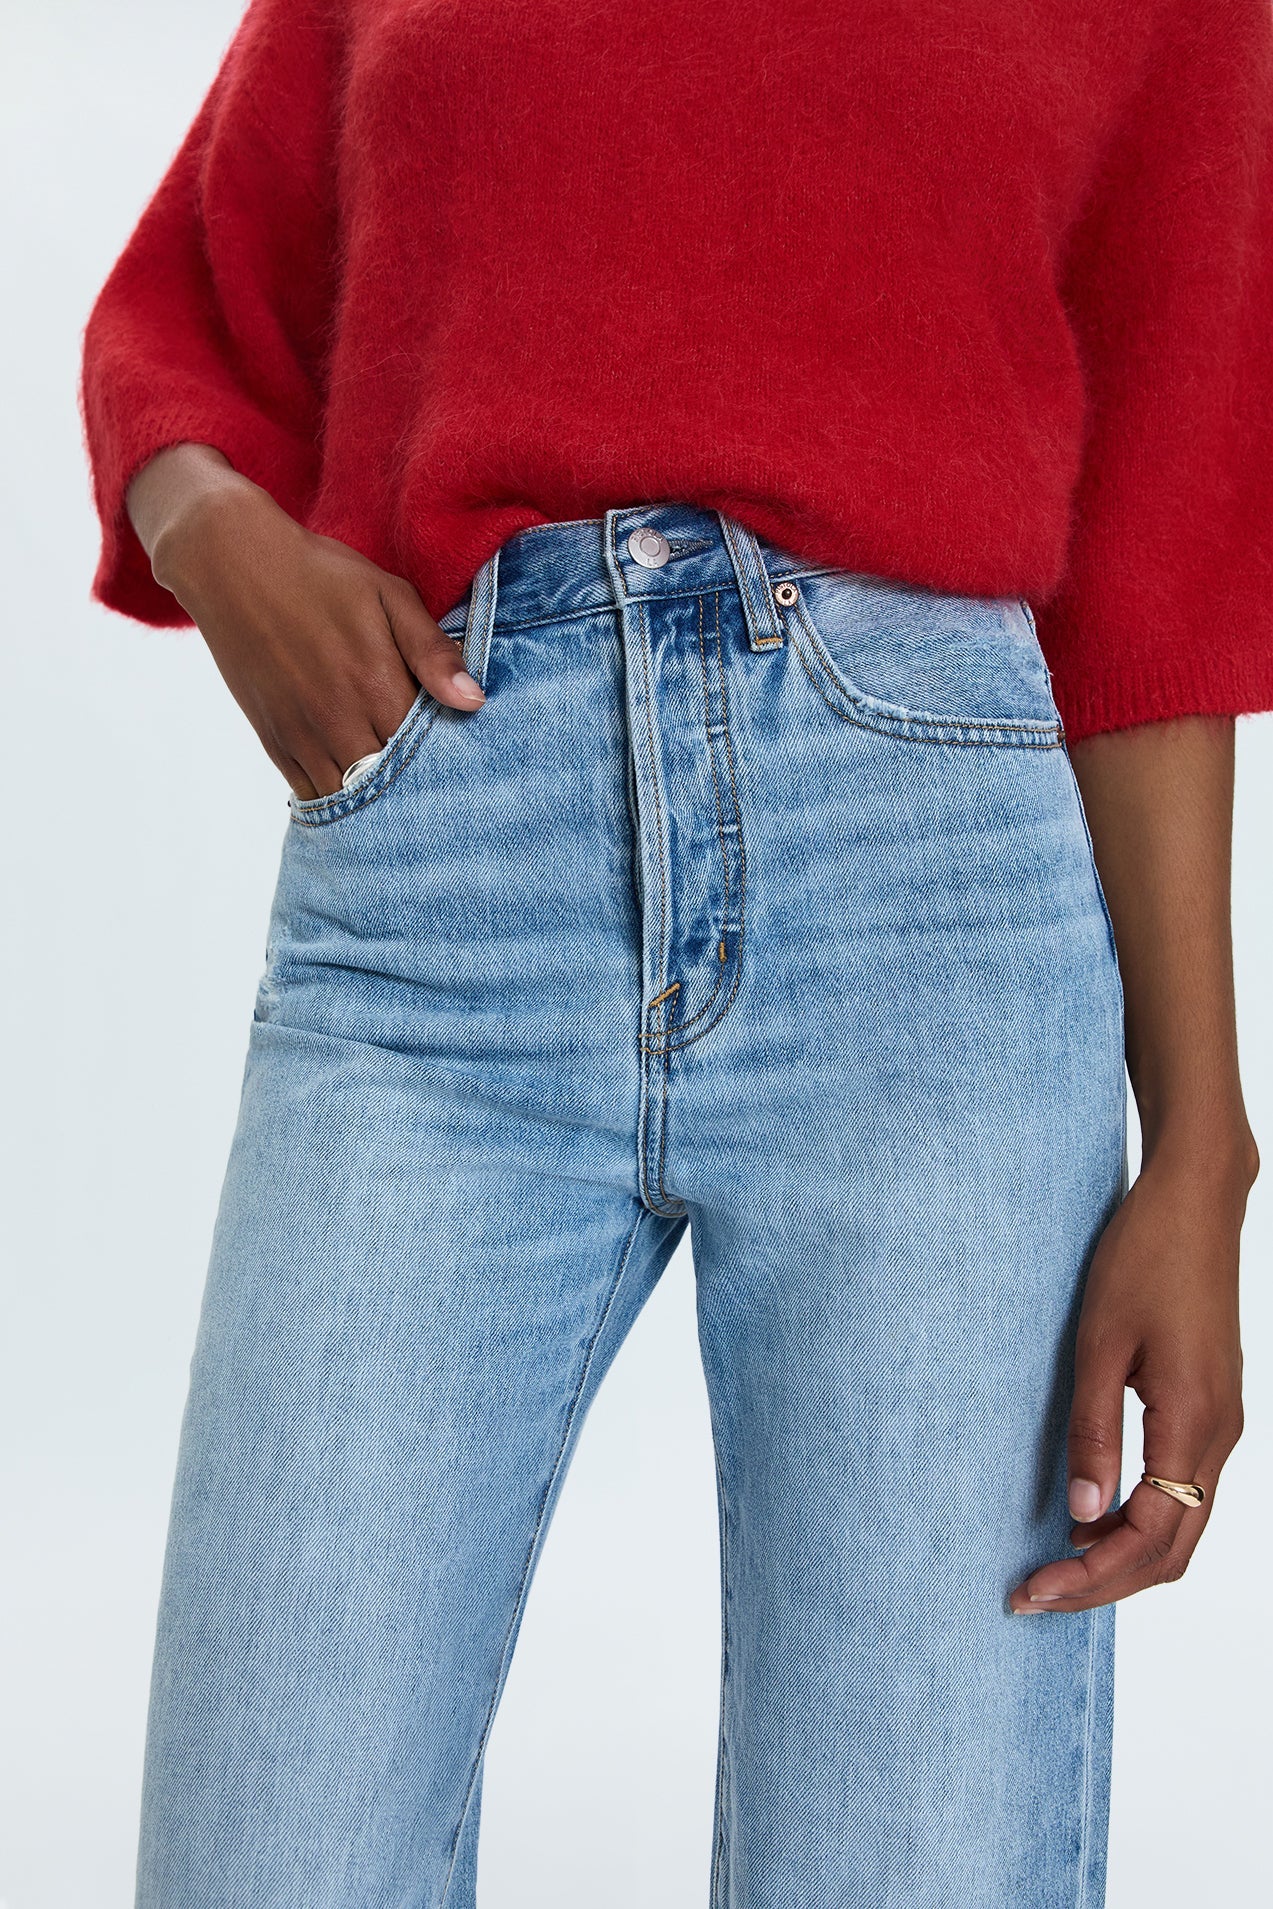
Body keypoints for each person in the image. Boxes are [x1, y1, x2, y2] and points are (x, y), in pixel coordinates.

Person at [79, 3, 1270, 1904]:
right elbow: (190, 310)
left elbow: (1162, 535)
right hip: (440, 903)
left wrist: (1200, 1145)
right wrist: (214, 534)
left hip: (932, 926)